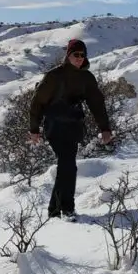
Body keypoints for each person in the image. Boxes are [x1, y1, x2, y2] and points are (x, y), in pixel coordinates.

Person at [29, 39, 113, 221]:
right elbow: (37, 101)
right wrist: (34, 128)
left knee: (69, 167)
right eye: (76, 54)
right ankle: (64, 209)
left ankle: (57, 210)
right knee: (67, 163)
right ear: (68, 55)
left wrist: (105, 128)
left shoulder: (86, 78)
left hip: (73, 127)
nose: (80, 58)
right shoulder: (54, 76)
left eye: (83, 55)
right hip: (54, 126)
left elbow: (97, 104)